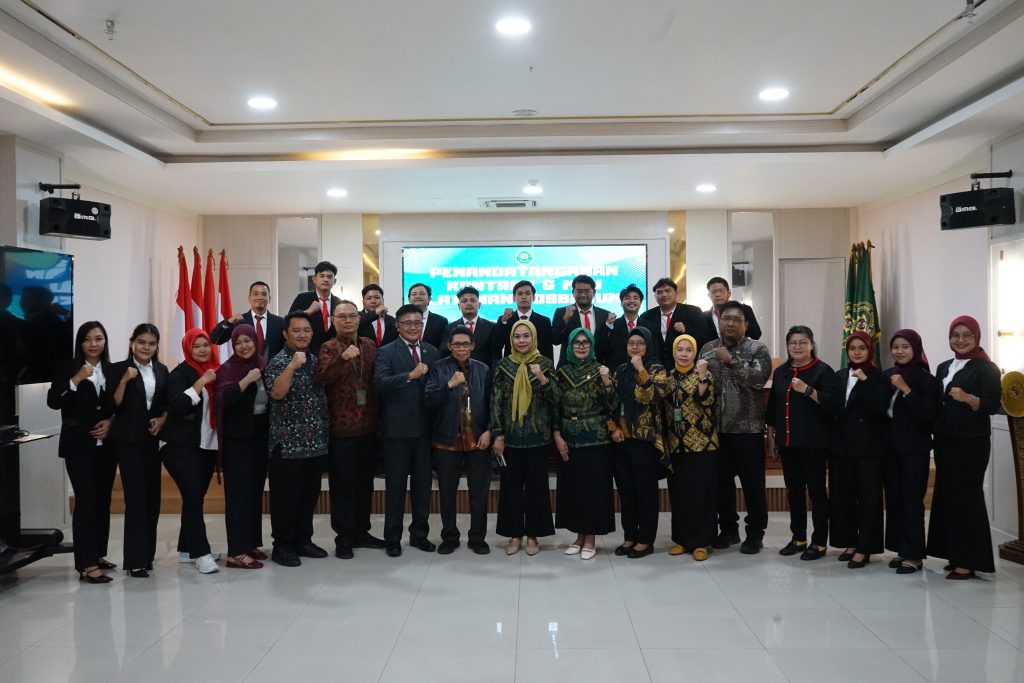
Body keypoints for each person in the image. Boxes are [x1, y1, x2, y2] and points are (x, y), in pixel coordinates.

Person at [927, 315, 1001, 580]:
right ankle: (953, 554)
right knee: (948, 496)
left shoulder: (987, 368)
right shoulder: (944, 367)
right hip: (945, 441)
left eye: (966, 335)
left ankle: (968, 561)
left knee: (967, 498)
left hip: (971, 443)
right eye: (955, 335)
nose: (960, 340)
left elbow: (993, 405)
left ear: (976, 337)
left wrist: (969, 398)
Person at [46, 321, 117, 583]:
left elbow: (119, 405)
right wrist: (76, 379)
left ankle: (97, 554)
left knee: (102, 500)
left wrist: (111, 422)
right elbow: (54, 401)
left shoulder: (112, 370)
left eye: (99, 338)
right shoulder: (67, 368)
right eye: (87, 339)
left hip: (106, 447)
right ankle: (86, 564)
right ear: (80, 343)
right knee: (86, 501)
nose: (94, 344)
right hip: (78, 446)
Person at [700, 300, 772, 554]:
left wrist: (731, 360)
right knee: (721, 486)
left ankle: (755, 534)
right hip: (716, 431)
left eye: (736, 319)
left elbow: (759, 380)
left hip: (748, 431)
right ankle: (729, 530)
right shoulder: (707, 348)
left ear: (746, 324)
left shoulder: (757, 349)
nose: (730, 323)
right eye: (726, 319)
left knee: (753, 486)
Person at [316, 300, 385, 559]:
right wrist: (342, 360)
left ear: (359, 319)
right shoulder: (329, 347)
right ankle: (344, 537)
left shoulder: (369, 345)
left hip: (369, 427)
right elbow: (322, 377)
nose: (348, 320)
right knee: (343, 485)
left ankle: (361, 531)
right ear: (333, 320)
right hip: (341, 430)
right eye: (342, 316)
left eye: (352, 316)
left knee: (365, 484)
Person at [766, 325, 841, 561]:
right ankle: (798, 538)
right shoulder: (781, 372)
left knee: (817, 493)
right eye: (793, 343)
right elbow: (773, 409)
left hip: (814, 444)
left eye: (802, 342)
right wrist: (772, 438)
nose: (797, 347)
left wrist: (808, 390)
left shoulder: (823, 371)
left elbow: (832, 404)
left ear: (811, 345)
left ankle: (819, 542)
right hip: (788, 444)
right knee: (794, 492)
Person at [264, 311, 330, 567]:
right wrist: (292, 366)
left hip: (315, 444)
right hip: (288, 446)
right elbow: (277, 394)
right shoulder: (278, 362)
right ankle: (282, 546)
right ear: (285, 334)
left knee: (308, 498)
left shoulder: (315, 360)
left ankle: (303, 540)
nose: (302, 334)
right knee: (286, 500)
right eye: (296, 330)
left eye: (307, 330)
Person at [374, 303, 440, 557]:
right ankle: (392, 538)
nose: (413, 327)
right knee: (396, 488)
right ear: (398, 326)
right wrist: (409, 376)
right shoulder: (386, 352)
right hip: (397, 432)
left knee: (422, 488)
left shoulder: (431, 351)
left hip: (424, 431)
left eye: (418, 323)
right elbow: (380, 383)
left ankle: (419, 535)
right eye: (408, 323)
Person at [424, 326, 493, 555]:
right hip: (447, 441)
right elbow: (428, 400)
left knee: (479, 494)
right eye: (456, 344)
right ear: (449, 346)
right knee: (447, 493)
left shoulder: (483, 370)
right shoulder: (438, 368)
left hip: (478, 440)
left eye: (465, 344)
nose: (461, 348)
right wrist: (448, 385)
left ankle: (477, 538)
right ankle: (450, 537)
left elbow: (493, 403)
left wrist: (490, 430)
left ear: (472, 346)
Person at [491, 319, 556, 555]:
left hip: (538, 438)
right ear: (511, 339)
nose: (521, 340)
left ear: (534, 338)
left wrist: (542, 379)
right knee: (510, 488)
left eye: (526, 336)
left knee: (537, 488)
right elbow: (496, 402)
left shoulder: (545, 364)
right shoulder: (504, 365)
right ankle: (514, 535)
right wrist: (498, 434)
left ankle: (533, 535)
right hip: (510, 439)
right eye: (517, 336)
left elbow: (556, 399)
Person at [107, 323, 168, 578]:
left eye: (152, 344)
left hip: (151, 441)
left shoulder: (161, 370)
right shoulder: (118, 369)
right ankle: (134, 560)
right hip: (127, 441)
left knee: (152, 498)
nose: (146, 347)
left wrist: (163, 419)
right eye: (142, 342)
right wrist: (123, 380)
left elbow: (165, 403)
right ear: (132, 342)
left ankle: (147, 555)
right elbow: (113, 404)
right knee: (136, 499)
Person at [552, 327, 616, 560]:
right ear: (570, 346)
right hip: (569, 439)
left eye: (585, 342)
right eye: (576, 342)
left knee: (593, 490)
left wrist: (607, 383)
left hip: (596, 440)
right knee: (574, 489)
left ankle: (591, 539)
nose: (581, 346)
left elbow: (614, 405)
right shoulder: (563, 372)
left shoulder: (601, 370)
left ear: (592, 346)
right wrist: (557, 435)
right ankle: (579, 537)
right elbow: (555, 406)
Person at [881, 329, 940, 575]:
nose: (900, 351)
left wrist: (906, 389)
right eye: (896, 347)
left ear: (915, 349)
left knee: (912, 500)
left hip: (914, 449)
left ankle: (914, 554)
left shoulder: (927, 380)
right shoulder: (887, 375)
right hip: (889, 448)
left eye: (905, 347)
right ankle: (901, 549)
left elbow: (928, 415)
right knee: (894, 499)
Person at [161, 328, 220, 574]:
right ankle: (200, 553)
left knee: (194, 497)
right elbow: (177, 406)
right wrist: (201, 382)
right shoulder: (180, 374)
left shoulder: (216, 370)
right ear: (187, 349)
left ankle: (186, 549)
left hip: (206, 445)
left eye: (205, 345)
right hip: (179, 446)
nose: (202, 350)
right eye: (196, 346)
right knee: (194, 496)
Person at [610, 326, 671, 559]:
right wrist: (613, 427)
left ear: (648, 345)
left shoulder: (657, 369)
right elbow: (612, 402)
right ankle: (629, 536)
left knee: (645, 492)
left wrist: (641, 370)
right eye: (631, 343)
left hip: (645, 440)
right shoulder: (620, 370)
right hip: (622, 439)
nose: (635, 347)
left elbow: (653, 397)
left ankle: (645, 540)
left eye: (640, 343)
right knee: (626, 491)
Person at [830, 332, 890, 569]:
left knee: (868, 498)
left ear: (869, 351)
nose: (856, 352)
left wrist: (864, 381)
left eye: (861, 348)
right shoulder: (840, 375)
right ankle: (850, 542)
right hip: (842, 447)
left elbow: (879, 407)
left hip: (868, 448)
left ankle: (865, 547)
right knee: (844, 496)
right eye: (852, 348)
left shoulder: (879, 377)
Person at [213, 324, 269, 569]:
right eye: (238, 342)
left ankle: (250, 543)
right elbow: (222, 398)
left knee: (254, 493)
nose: (244, 346)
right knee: (238, 496)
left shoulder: (263, 364)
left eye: (248, 341)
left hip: (259, 437)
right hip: (237, 441)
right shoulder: (228, 369)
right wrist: (246, 380)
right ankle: (236, 552)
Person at [665, 334, 718, 561]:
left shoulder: (703, 374)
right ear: (674, 352)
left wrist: (703, 376)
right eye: (680, 349)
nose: (684, 354)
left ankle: (702, 542)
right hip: (676, 445)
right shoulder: (668, 377)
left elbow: (706, 401)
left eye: (689, 350)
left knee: (701, 494)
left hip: (702, 444)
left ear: (695, 353)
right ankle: (682, 540)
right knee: (680, 494)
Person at [640, 277, 708, 369]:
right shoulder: (646, 316)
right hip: (656, 369)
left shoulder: (693, 312)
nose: (664, 295)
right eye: (659, 292)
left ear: (676, 293)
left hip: (685, 368)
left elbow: (705, 338)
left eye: (667, 291)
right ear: (655, 296)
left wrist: (686, 330)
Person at [209, 280, 285, 359]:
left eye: (264, 294)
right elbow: (215, 339)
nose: (259, 297)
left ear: (269, 299)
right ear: (249, 298)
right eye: (255, 294)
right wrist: (228, 322)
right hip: (244, 367)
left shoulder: (280, 322)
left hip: (272, 366)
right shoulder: (239, 321)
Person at [552, 275, 613, 366]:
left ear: (594, 292)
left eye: (587, 291)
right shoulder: (562, 312)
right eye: (579, 291)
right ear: (573, 292)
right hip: (568, 369)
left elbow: (607, 346)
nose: (583, 295)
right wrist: (565, 320)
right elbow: (555, 340)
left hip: (597, 368)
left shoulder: (605, 315)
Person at [287, 261, 342, 354]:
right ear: (314, 279)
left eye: (329, 277)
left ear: (334, 281)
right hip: (308, 351)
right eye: (322, 276)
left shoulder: (339, 302)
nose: (326, 279)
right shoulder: (302, 298)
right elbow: (289, 322)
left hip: (334, 353)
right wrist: (308, 312)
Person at [495, 280, 554, 361]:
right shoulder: (505, 319)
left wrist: (548, 367)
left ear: (534, 297)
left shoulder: (544, 321)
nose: (524, 297)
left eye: (528, 293)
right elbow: (497, 345)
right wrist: (504, 322)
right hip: (511, 366)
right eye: (520, 294)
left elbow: (548, 350)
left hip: (537, 365)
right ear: (514, 298)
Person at [606, 284, 660, 371]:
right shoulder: (612, 325)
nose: (631, 301)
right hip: (618, 373)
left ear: (640, 302)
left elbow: (655, 353)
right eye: (627, 298)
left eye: (635, 298)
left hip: (645, 371)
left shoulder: (651, 327)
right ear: (621, 302)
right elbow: (605, 350)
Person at [444, 286, 497, 369]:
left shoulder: (491, 327)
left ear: (479, 305)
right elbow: (445, 354)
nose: (468, 303)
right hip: (456, 373)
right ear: (459, 306)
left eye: (472, 300)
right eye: (464, 301)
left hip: (483, 373)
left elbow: (494, 355)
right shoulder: (449, 328)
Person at [407, 282, 449, 348]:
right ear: (409, 299)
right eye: (414, 294)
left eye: (422, 294)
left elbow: (443, 347)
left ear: (429, 298)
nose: (418, 297)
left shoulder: (441, 321)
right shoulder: (401, 321)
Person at [358, 284, 397, 348]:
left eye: (377, 297)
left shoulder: (391, 320)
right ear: (363, 301)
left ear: (383, 300)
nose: (373, 301)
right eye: (369, 298)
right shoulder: (357, 317)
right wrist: (375, 313)